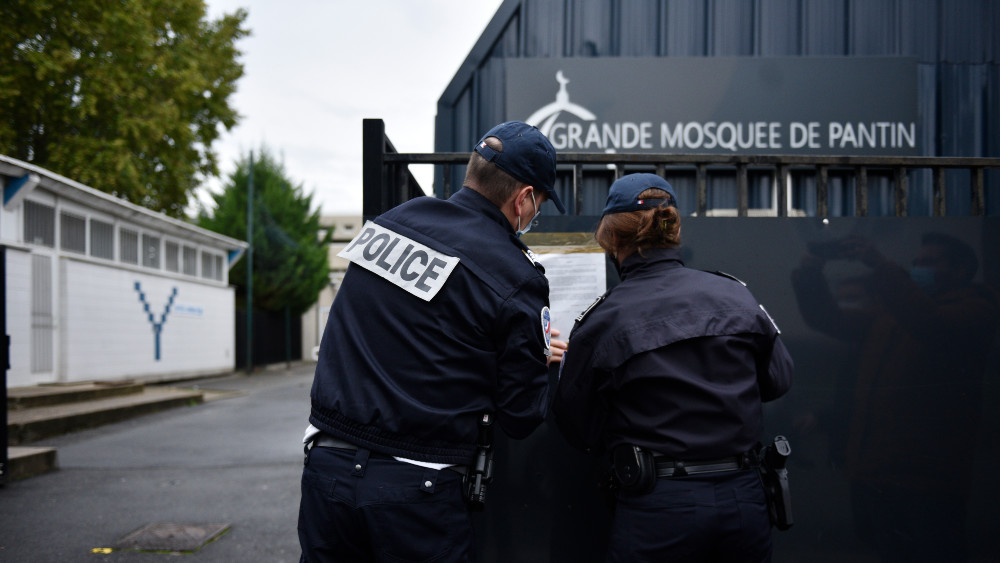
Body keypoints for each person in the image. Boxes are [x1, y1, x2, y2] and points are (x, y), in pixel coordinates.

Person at [298, 121, 568, 563]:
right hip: (417, 490)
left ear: (473, 170)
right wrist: (535, 359)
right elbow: (521, 415)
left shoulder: (390, 223)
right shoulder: (516, 276)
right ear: (523, 199)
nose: (534, 214)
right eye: (537, 204)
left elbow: (398, 328)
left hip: (327, 468)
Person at [552, 172, 794, 562]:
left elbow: (577, 426)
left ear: (613, 238)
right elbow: (779, 380)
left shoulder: (602, 321)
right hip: (743, 500)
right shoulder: (736, 294)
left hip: (659, 506)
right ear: (673, 228)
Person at [791, 232, 1000, 562]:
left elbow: (930, 323)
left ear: (961, 271)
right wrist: (811, 272)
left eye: (929, 263)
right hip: (878, 470)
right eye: (915, 263)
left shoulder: (975, 310)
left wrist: (879, 264)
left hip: (930, 477)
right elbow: (829, 319)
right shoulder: (891, 316)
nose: (918, 268)